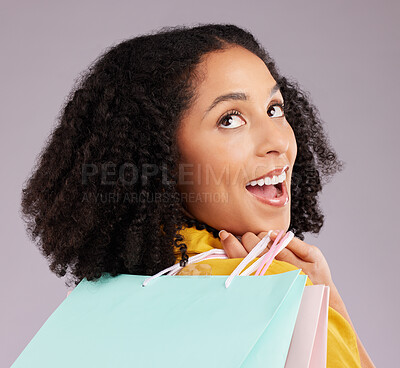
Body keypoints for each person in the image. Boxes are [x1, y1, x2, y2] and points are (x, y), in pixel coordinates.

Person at [21, 23, 375, 367]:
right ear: (160, 156)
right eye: (230, 119)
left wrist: (328, 297)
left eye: (274, 109)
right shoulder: (281, 302)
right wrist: (318, 309)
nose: (279, 141)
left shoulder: (102, 306)